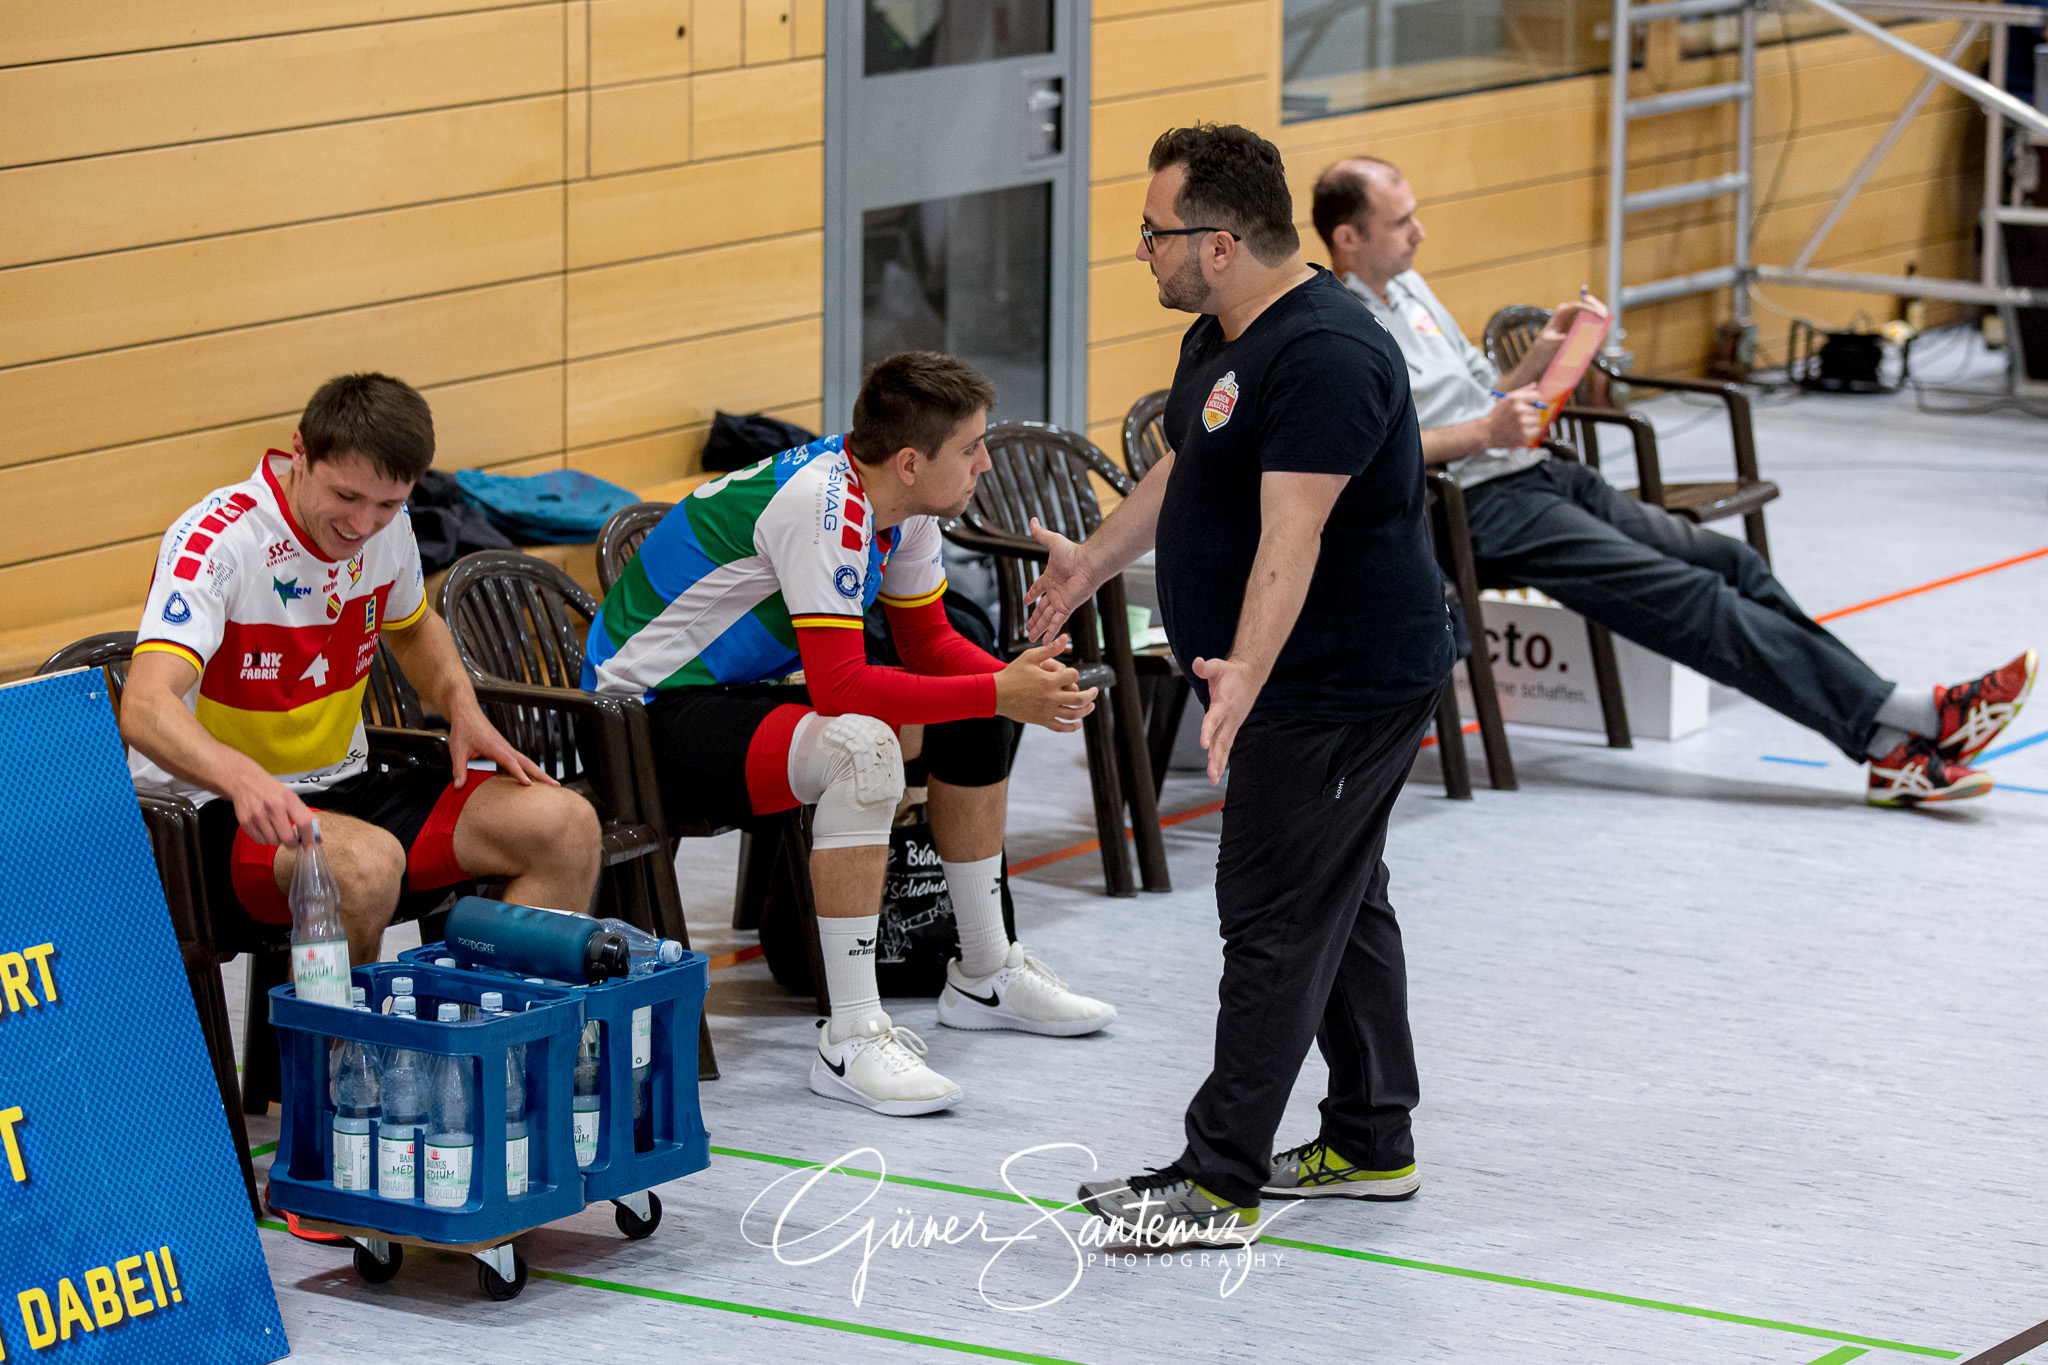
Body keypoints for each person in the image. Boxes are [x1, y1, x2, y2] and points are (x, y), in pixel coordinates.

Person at [1026, 124, 1455, 1248]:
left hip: (1333, 686)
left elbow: (1293, 530)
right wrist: (1088, 560)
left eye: (1152, 232)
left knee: (1270, 919)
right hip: (1294, 683)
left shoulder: (1325, 353)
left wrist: (1242, 678)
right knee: (1340, 904)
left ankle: (1214, 1183)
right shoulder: (1230, 337)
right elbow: (1191, 463)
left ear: (1218, 243)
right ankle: (1370, 1141)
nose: (1139, 252)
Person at [1311, 156, 2037, 805]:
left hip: (1531, 469)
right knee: (1692, 598)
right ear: (1349, 237)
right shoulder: (1343, 333)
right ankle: (1913, 714)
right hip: (1473, 505)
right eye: (1402, 222)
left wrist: (1551, 353)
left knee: (1732, 562)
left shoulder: (1412, 290)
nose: (1421, 233)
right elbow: (1381, 452)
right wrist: (1483, 434)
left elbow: (1487, 389)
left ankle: (1887, 746)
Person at [583, 351, 1117, 1117]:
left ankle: (986, 972)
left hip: (735, 693)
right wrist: (1000, 687)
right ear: (910, 461)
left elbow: (930, 642)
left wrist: (1014, 684)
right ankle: (852, 1037)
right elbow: (840, 686)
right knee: (863, 750)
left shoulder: (905, 505)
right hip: (637, 714)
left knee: (972, 708)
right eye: (970, 447)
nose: (984, 462)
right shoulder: (823, 505)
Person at [122, 373, 604, 964]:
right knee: (366, 865)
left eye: (387, 504)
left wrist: (461, 707)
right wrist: (242, 777)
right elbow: (144, 708)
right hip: (209, 815)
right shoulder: (218, 542)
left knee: (564, 826)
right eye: (345, 497)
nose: (361, 525)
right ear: (300, 451)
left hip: (345, 789)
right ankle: (342, 1056)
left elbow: (414, 626)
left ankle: (500, 1042)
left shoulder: (387, 527)